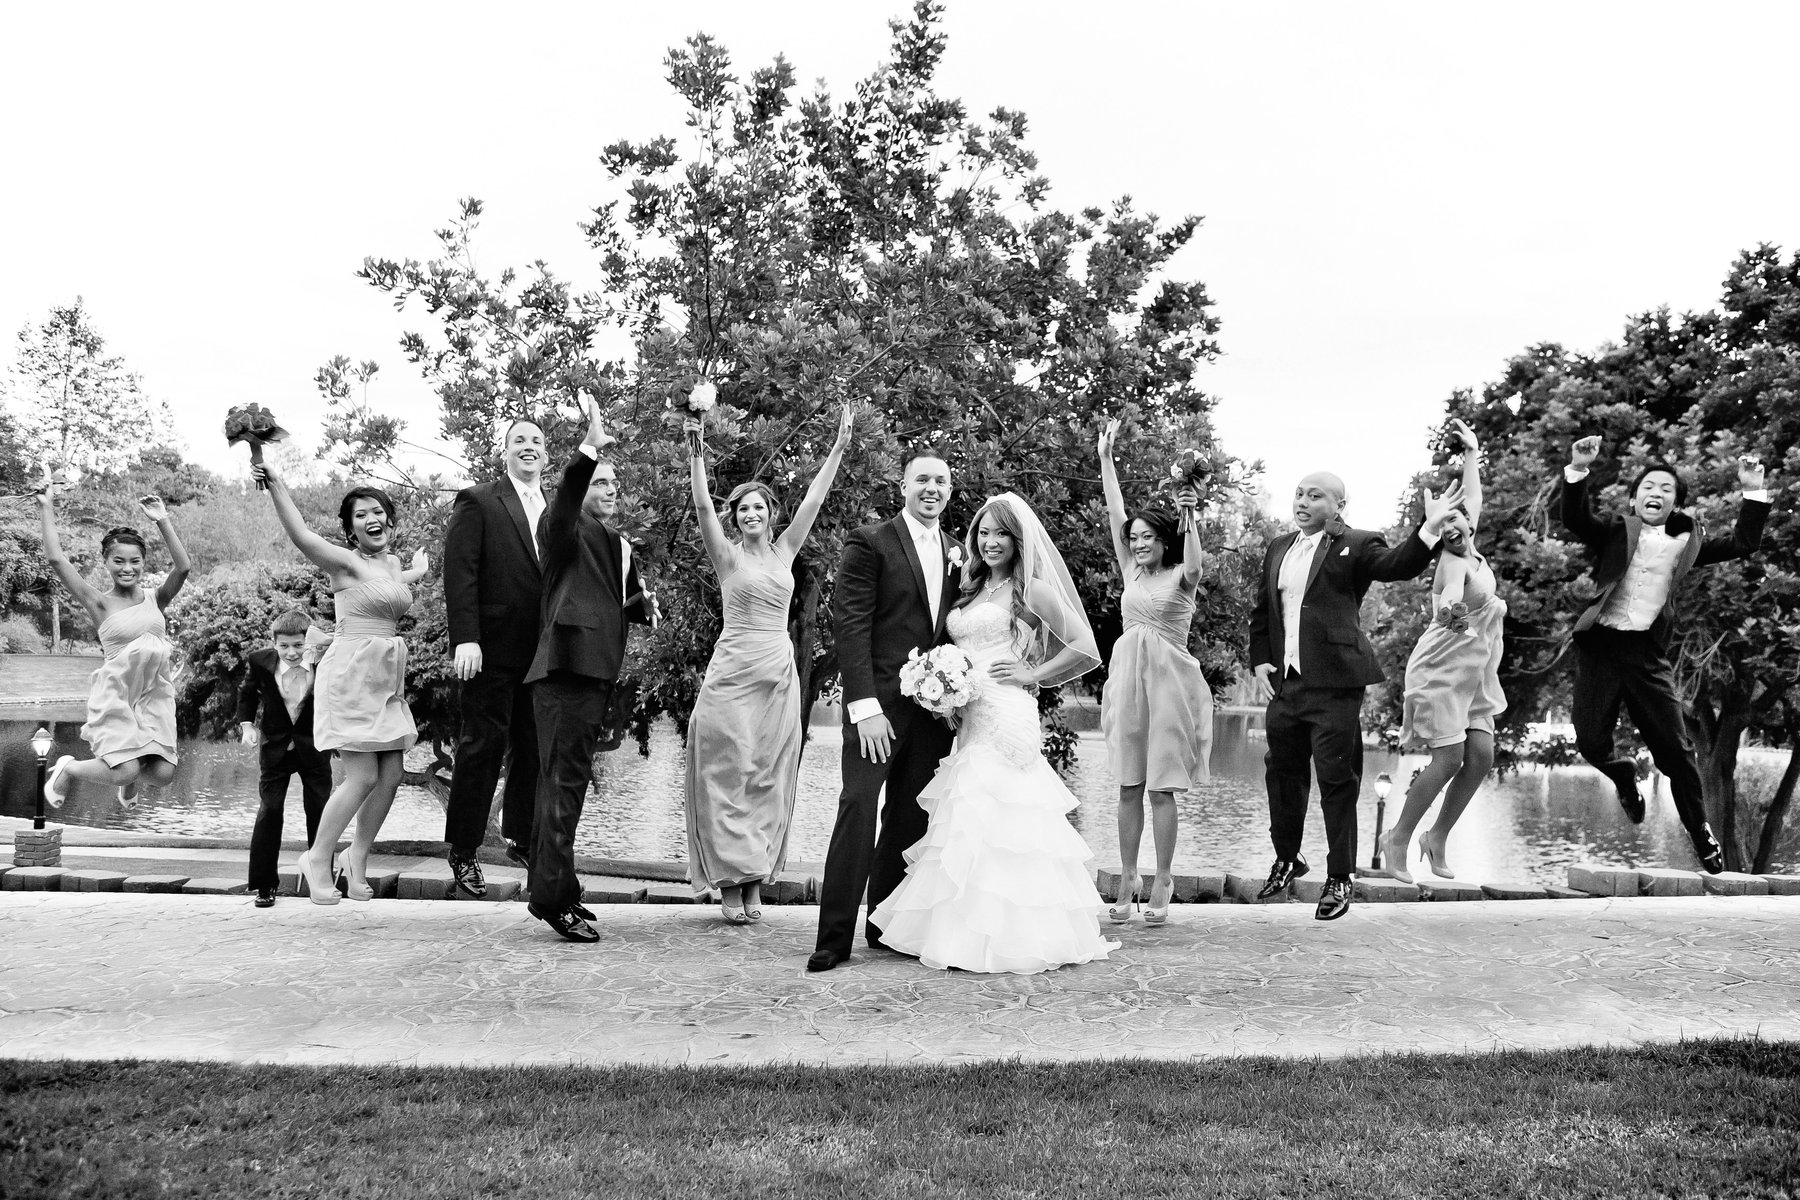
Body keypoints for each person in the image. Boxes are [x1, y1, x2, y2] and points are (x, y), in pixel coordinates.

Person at [868, 493, 1114, 974]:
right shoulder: (971, 586)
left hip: (1007, 711)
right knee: (969, 814)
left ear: (1018, 540)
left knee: (1007, 815)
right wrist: (944, 691)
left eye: (1001, 533)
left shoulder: (1032, 590)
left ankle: (1016, 936)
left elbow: (1085, 646)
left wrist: (1032, 674)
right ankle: (963, 934)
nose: (991, 541)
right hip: (971, 716)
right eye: (984, 532)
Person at [1248, 470, 1460, 920]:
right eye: (1299, 493)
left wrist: (1429, 529)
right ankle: (1287, 857)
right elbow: (1264, 611)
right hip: (1285, 684)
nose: (1302, 501)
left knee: (1337, 781)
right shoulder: (1279, 547)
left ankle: (1340, 876)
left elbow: (1398, 565)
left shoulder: (1358, 544)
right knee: (1281, 774)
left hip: (1336, 685)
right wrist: (1260, 659)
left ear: (1339, 505)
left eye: (1315, 495)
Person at [1555, 437, 1770, 874]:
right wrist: (1578, 468)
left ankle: (1700, 832)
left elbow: (1744, 542)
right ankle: (1623, 775)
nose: (1656, 492)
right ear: (1634, 499)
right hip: (1602, 648)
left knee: (1678, 753)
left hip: (1646, 655)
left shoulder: (1688, 540)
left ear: (1675, 503)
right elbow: (1574, 517)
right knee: (1591, 743)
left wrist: (1753, 491)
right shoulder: (1615, 530)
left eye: (1666, 489)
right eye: (1648, 487)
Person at [682, 400, 853, 922]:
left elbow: (815, 499)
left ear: (771, 514)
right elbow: (703, 507)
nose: (751, 514)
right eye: (743, 509)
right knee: (727, 771)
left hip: (777, 676)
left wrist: (838, 447)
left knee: (767, 776)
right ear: (735, 518)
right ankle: (728, 884)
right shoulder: (727, 556)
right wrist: (697, 452)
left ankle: (754, 878)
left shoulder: (785, 552)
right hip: (732, 673)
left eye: (759, 507)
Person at [808, 452, 961, 973]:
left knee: (909, 815)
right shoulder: (869, 541)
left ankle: (885, 927)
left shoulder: (959, 552)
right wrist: (865, 708)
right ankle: (833, 939)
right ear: (903, 487)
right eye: (922, 479)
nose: (932, 488)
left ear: (949, 490)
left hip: (933, 711)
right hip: (877, 708)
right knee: (857, 805)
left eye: (941, 481)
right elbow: (850, 626)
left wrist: (955, 695)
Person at [254, 462, 424, 905]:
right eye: (361, 515)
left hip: (384, 674)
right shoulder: (344, 562)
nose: (372, 518)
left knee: (391, 773)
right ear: (350, 529)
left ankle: (357, 855)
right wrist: (276, 484)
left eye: (378, 511)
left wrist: (416, 572)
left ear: (389, 519)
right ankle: (317, 857)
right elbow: (301, 536)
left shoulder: (391, 563)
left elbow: (390, 585)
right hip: (351, 672)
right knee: (362, 775)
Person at [524, 401, 655, 943]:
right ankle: (552, 900)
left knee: (564, 784)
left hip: (596, 672)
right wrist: (588, 451)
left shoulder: (614, 542)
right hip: (564, 669)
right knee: (562, 783)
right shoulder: (563, 526)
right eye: (601, 481)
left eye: (614, 482)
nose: (611, 489)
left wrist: (643, 606)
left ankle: (559, 885)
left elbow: (619, 600)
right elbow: (564, 500)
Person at [1096, 419, 1212, 925]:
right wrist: (1106, 460)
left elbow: (1195, 562)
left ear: (1165, 540)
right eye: (1134, 538)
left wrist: (1190, 512)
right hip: (1128, 685)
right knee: (1128, 784)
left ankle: (1163, 876)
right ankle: (1128, 876)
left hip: (1168, 689)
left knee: (1161, 788)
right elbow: (1115, 512)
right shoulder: (1131, 572)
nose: (1139, 543)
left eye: (1147, 537)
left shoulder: (1183, 577)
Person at [1381, 419, 1504, 883]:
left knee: (1482, 754)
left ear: (1468, 521)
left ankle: (1437, 836)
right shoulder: (1452, 563)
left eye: (1456, 519)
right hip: (1442, 667)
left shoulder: (1474, 549)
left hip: (1473, 669)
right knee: (1449, 758)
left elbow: (1473, 496)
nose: (1452, 527)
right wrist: (1456, 617)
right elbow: (1451, 603)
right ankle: (1397, 837)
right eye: (1442, 523)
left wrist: (1471, 453)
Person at [441, 417, 550, 898]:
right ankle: (464, 850)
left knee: (534, 748)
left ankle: (522, 839)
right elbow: (460, 571)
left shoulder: (556, 508)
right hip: (489, 649)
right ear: (504, 452)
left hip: (543, 651)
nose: (529, 447)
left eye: (537, 441)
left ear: (546, 455)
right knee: (481, 747)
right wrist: (466, 637)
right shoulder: (479, 500)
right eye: (519, 440)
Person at [39, 477, 191, 809]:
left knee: (164, 773)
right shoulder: (99, 603)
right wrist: (46, 506)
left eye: (135, 561)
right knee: (125, 769)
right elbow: (57, 560)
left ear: (143, 563)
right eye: (119, 561)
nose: (127, 568)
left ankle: (130, 780)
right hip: (117, 694)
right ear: (106, 562)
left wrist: (162, 520)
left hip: (153, 694)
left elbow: (183, 568)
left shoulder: (156, 598)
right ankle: (69, 767)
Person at [237, 608, 333, 907]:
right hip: (275, 747)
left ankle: (322, 880)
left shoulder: (324, 661)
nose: (291, 652)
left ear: (308, 642)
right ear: (274, 643)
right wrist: (247, 725)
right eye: (284, 646)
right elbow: (247, 693)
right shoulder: (259, 661)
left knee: (321, 812)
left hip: (314, 746)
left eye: (298, 645)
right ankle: (264, 885)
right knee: (270, 810)